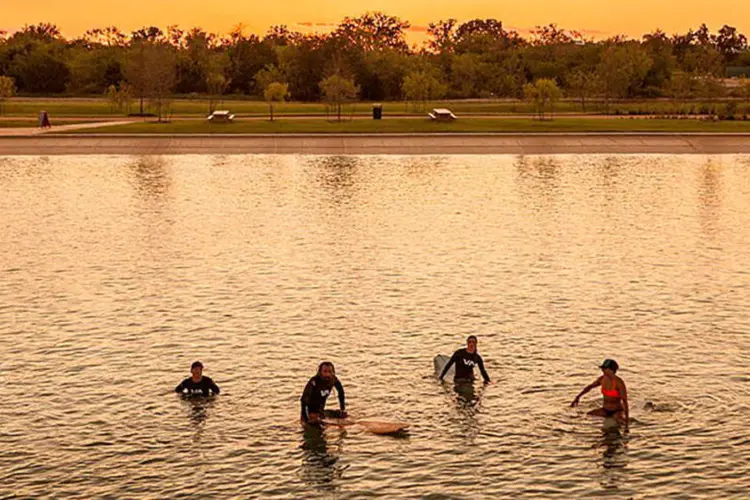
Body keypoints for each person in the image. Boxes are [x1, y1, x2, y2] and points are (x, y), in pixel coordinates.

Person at [571, 359, 629, 424]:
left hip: (617, 411)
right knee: (587, 415)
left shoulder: (619, 383)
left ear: (611, 370)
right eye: (602, 368)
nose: (602, 370)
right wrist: (577, 397)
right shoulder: (602, 379)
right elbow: (590, 387)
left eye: (604, 368)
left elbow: (625, 401)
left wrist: (627, 421)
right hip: (605, 409)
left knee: (621, 422)